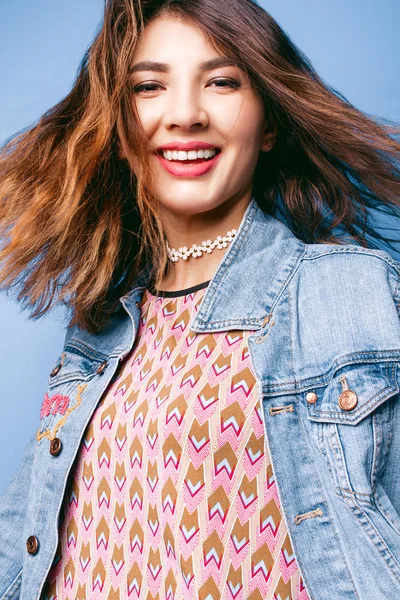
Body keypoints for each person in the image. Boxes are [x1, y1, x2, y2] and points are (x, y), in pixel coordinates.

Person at [0, 0, 399, 598]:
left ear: (268, 124)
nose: (184, 114)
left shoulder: (350, 295)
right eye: (149, 86)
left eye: (220, 82)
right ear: (118, 123)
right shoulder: (97, 332)